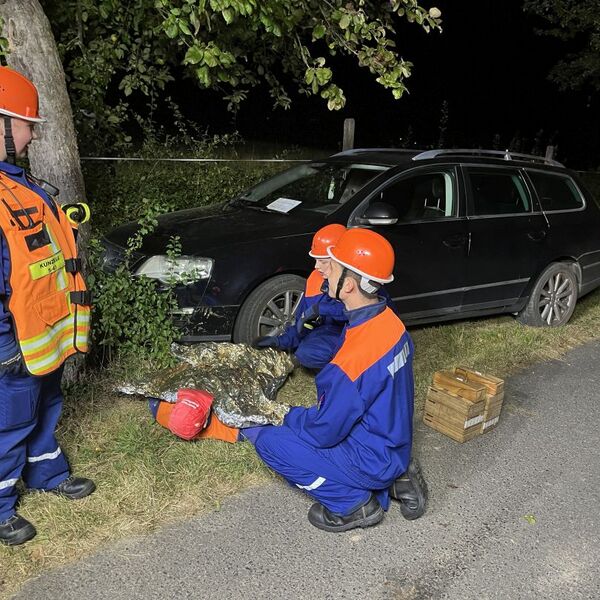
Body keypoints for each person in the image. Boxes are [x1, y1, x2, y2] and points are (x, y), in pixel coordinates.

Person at [253, 227, 427, 532]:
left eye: (330, 266)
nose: (323, 274)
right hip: (394, 444)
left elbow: (324, 433)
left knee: (271, 443)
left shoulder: (350, 362)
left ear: (348, 285)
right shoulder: (392, 323)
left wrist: (289, 416)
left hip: (372, 457)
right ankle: (399, 477)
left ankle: (353, 505)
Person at [0, 66, 94, 546]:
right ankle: (0, 509)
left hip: (44, 331)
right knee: (9, 421)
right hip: (12, 343)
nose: (33, 132)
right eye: (23, 122)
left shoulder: (20, 182)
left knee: (47, 404)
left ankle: (47, 474)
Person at [253, 223, 348, 370]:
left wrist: (322, 309)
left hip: (356, 335)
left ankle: (345, 368)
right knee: (306, 352)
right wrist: (279, 342)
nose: (316, 266)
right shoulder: (316, 280)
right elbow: (301, 322)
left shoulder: (360, 282)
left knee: (313, 352)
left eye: (323, 261)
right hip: (331, 331)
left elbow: (360, 315)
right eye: (315, 260)